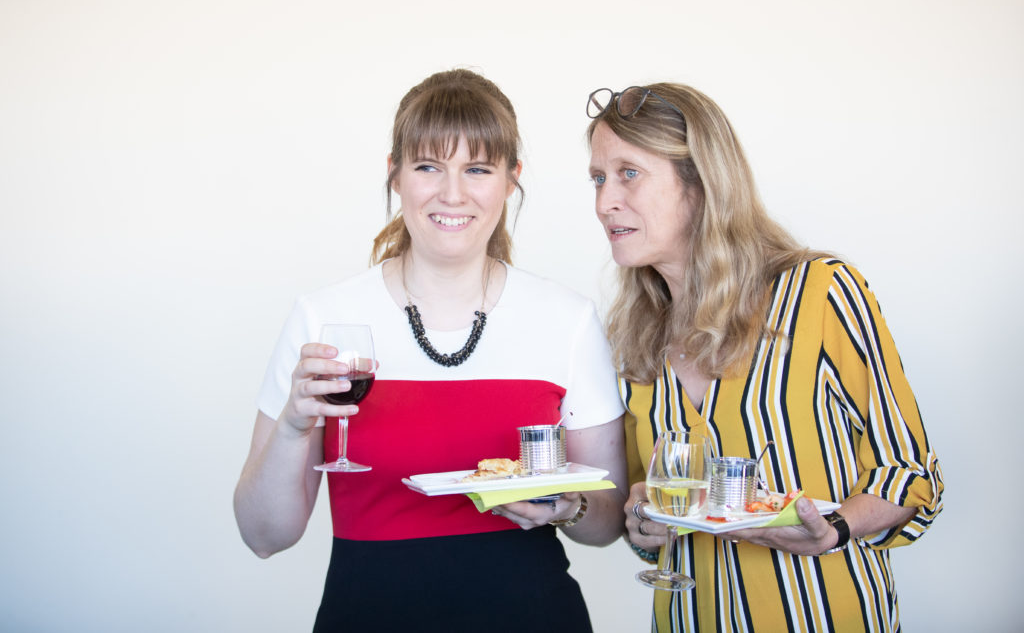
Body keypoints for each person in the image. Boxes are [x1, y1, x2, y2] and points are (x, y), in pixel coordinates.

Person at [233, 69, 627, 632]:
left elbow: (605, 524)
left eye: (478, 169)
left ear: (512, 179)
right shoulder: (322, 319)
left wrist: (574, 507)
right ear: (394, 173)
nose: (452, 193)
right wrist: (294, 428)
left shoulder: (568, 319)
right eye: (427, 166)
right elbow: (263, 537)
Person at [584, 84, 943, 632]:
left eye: (629, 172)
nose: (605, 201)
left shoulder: (821, 294)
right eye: (599, 177)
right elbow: (647, 505)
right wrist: (642, 523)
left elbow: (910, 472)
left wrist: (837, 527)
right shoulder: (632, 336)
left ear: (700, 183)